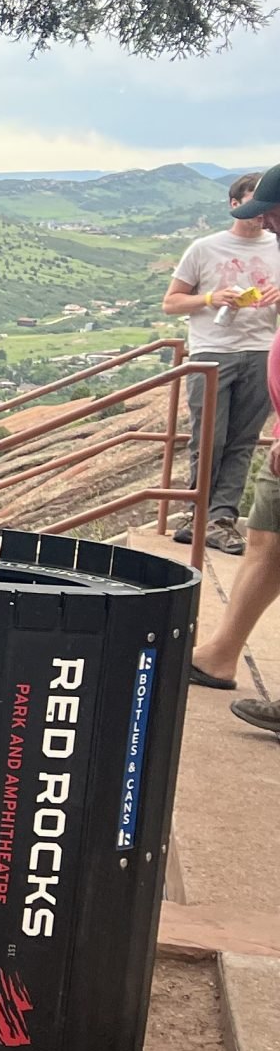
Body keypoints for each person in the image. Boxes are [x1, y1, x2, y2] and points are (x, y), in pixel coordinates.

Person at [192, 168, 280, 730]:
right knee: (265, 540)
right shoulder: (206, 248)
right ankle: (219, 655)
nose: (266, 221)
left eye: (272, 211)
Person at [163, 169, 279, 555]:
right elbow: (171, 302)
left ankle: (222, 520)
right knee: (208, 438)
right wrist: (212, 299)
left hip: (261, 349)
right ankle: (194, 517)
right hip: (212, 350)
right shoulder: (204, 248)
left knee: (243, 441)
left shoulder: (276, 246)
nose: (261, 216)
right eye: (252, 205)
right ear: (234, 204)